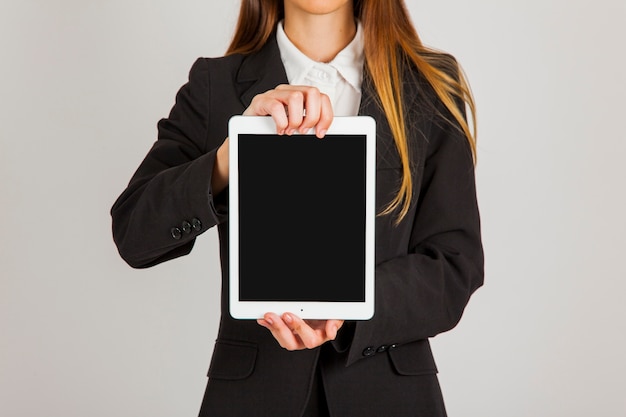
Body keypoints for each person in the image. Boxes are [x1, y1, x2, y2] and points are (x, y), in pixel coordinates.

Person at [110, 0, 484, 415]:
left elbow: (455, 264)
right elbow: (133, 233)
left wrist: (348, 307)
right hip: (254, 396)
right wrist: (229, 157)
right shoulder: (216, 83)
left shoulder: (429, 83)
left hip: (390, 395)